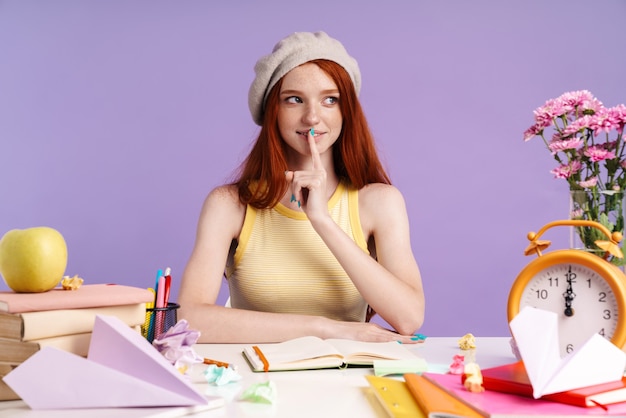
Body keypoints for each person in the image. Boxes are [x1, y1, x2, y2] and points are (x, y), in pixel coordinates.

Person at [178, 31, 424, 343]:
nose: (312, 116)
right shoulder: (229, 205)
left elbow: (409, 318)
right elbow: (189, 317)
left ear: (346, 111)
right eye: (294, 99)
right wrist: (323, 329)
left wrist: (322, 220)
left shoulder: (379, 203)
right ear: (273, 111)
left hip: (349, 380)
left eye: (330, 100)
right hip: (256, 382)